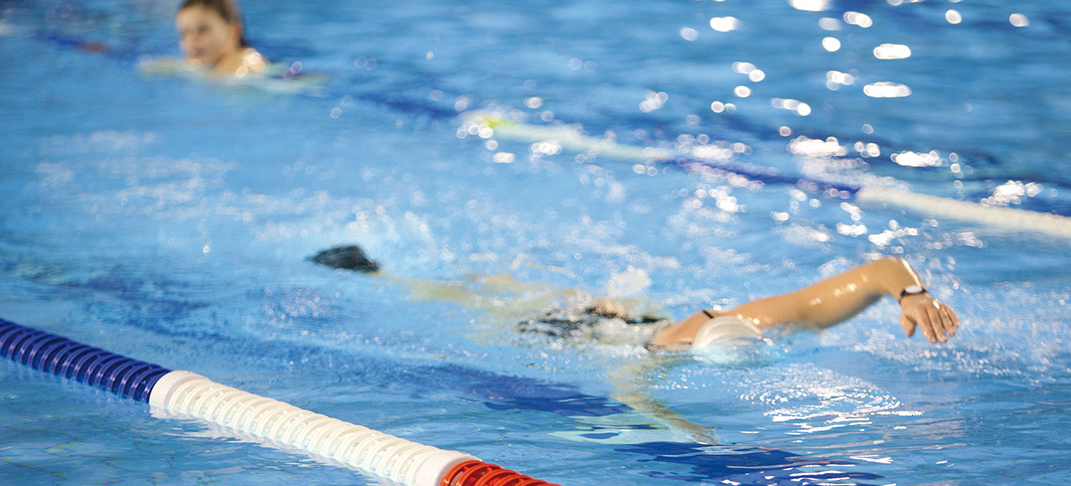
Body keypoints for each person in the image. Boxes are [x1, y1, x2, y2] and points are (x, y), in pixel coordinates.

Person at [308, 245, 959, 349]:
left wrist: (909, 290)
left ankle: (377, 270)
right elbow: (639, 398)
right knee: (469, 301)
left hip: (624, 321)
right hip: (569, 327)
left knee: (479, 294)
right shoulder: (670, 346)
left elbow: (881, 269)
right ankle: (372, 272)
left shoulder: (753, 324)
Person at [174, 0, 267, 77]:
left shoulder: (245, 60)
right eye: (184, 33)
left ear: (234, 31)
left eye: (202, 29)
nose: (192, 39)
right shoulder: (203, 64)